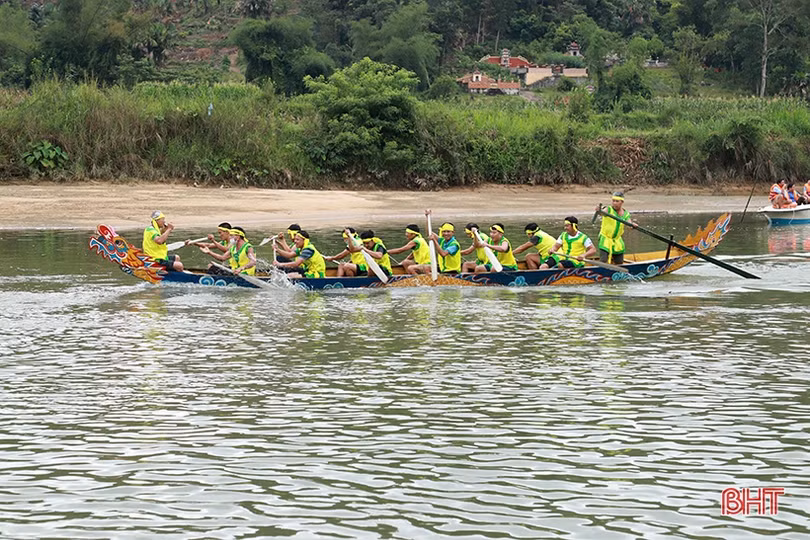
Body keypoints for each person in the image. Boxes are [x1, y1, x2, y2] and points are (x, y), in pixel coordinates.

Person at [594, 192, 638, 265]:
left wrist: (632, 225)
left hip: (617, 240)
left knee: (619, 262)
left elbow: (629, 225)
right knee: (603, 260)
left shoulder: (625, 213)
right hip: (605, 238)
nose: (614, 203)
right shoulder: (608, 209)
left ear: (622, 202)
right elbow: (602, 213)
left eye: (617, 201)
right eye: (613, 201)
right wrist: (599, 210)